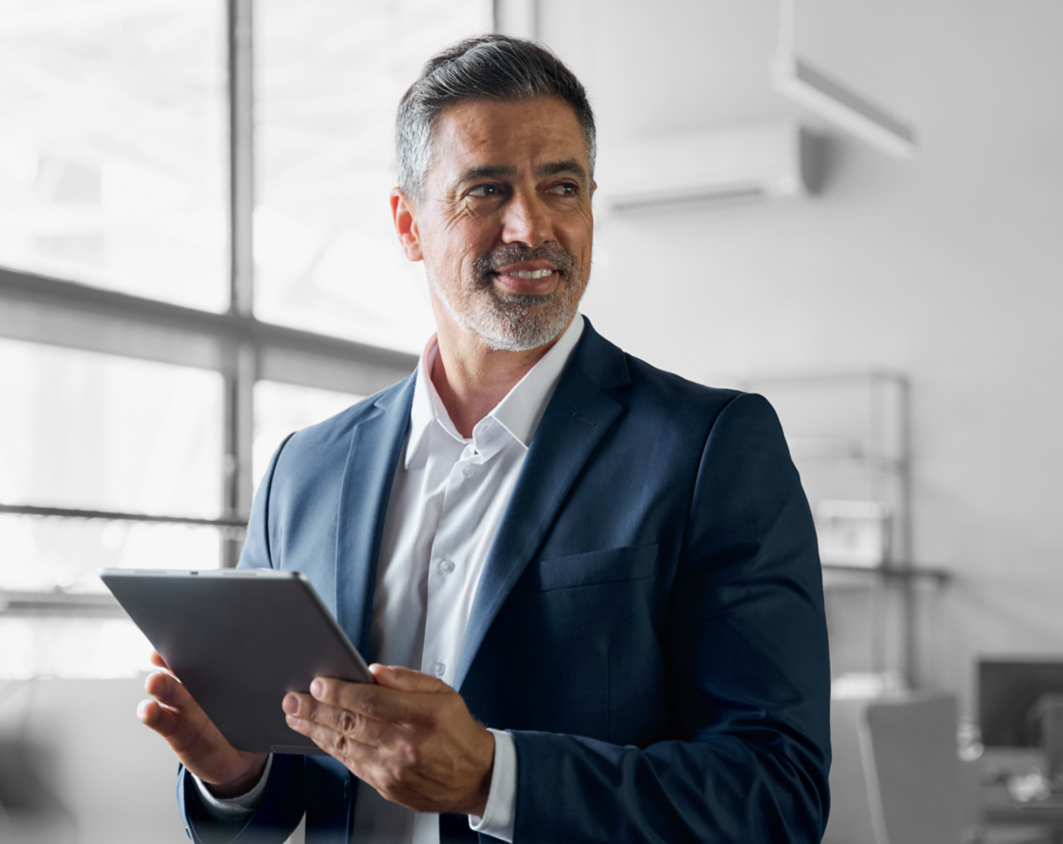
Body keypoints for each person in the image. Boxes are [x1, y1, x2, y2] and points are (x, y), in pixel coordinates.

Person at [138, 34, 831, 843]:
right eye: (487, 190)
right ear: (408, 223)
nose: (531, 225)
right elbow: (291, 784)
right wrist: (235, 772)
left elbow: (775, 796)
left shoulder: (711, 448)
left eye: (562, 187)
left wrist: (496, 779)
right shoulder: (307, 469)